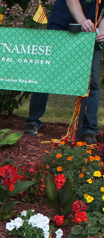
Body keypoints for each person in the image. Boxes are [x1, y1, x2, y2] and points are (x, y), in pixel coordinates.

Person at [24, 0, 104, 143]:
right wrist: (82, 21)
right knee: (45, 74)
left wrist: (102, 30)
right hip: (61, 23)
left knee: (91, 80)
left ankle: (89, 130)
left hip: (92, 30)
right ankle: (33, 121)